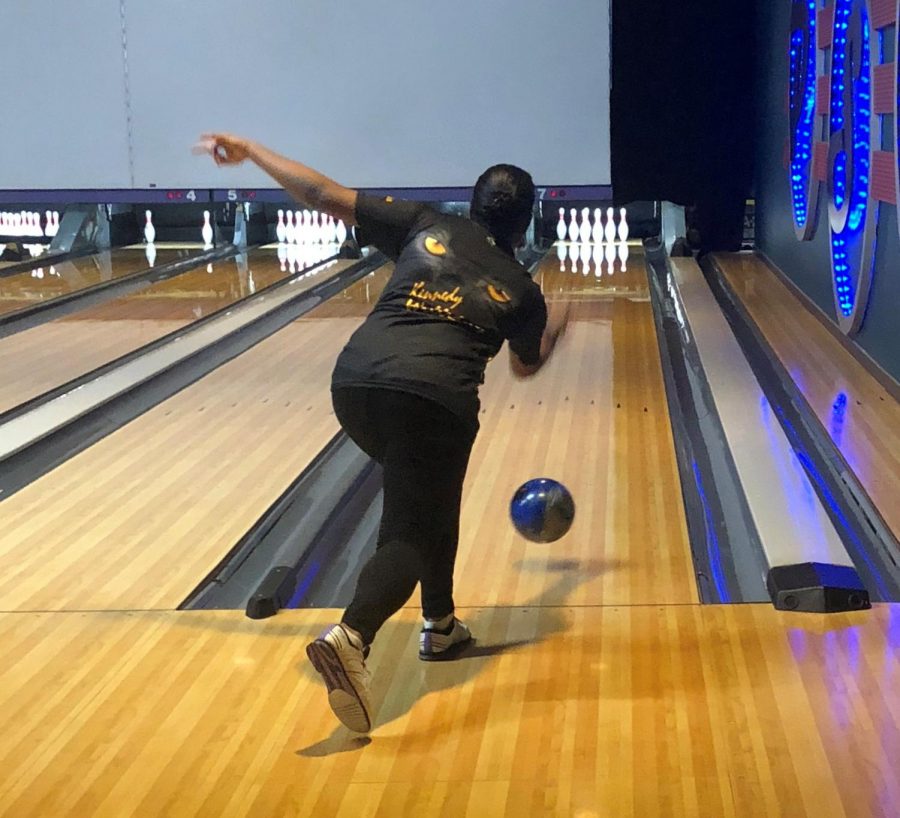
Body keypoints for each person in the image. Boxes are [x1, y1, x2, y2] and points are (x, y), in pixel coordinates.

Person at [199, 134, 569, 732]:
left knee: (431, 499)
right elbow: (525, 367)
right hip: (434, 401)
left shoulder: (426, 225)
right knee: (411, 533)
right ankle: (352, 637)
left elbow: (321, 192)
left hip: (356, 385)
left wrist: (251, 150)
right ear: (525, 226)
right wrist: (552, 333)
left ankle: (441, 625)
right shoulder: (523, 292)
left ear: (473, 205)